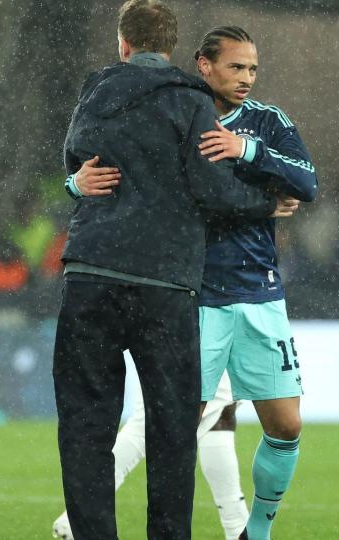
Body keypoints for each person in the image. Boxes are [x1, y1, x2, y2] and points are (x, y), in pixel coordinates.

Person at [52, 2, 279, 539]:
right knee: (174, 427)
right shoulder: (190, 101)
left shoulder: (95, 90)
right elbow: (211, 188)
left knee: (86, 423)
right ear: (172, 48)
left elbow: (76, 164)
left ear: (122, 42)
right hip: (164, 285)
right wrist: (264, 202)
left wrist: (75, 185)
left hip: (92, 274)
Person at [193, 26, 317, 540]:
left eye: (252, 69)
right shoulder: (185, 116)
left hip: (260, 291)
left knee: (286, 425)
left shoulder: (268, 122)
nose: (246, 78)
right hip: (195, 292)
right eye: (236, 67)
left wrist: (248, 151)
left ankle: (256, 532)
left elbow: (306, 183)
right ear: (205, 65)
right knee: (177, 425)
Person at [52, 372, 248, 540]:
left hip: (174, 337)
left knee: (221, 414)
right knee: (149, 424)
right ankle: (80, 514)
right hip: (192, 336)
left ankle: (237, 528)